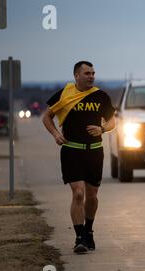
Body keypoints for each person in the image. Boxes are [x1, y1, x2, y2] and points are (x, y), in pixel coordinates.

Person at [42, 61, 116, 254]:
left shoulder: (101, 96)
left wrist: (102, 129)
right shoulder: (64, 94)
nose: (91, 76)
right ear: (76, 75)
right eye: (87, 73)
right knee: (78, 193)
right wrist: (56, 134)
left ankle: (89, 231)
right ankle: (79, 237)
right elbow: (47, 117)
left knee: (92, 196)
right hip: (72, 151)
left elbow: (112, 121)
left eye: (93, 73)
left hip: (94, 151)